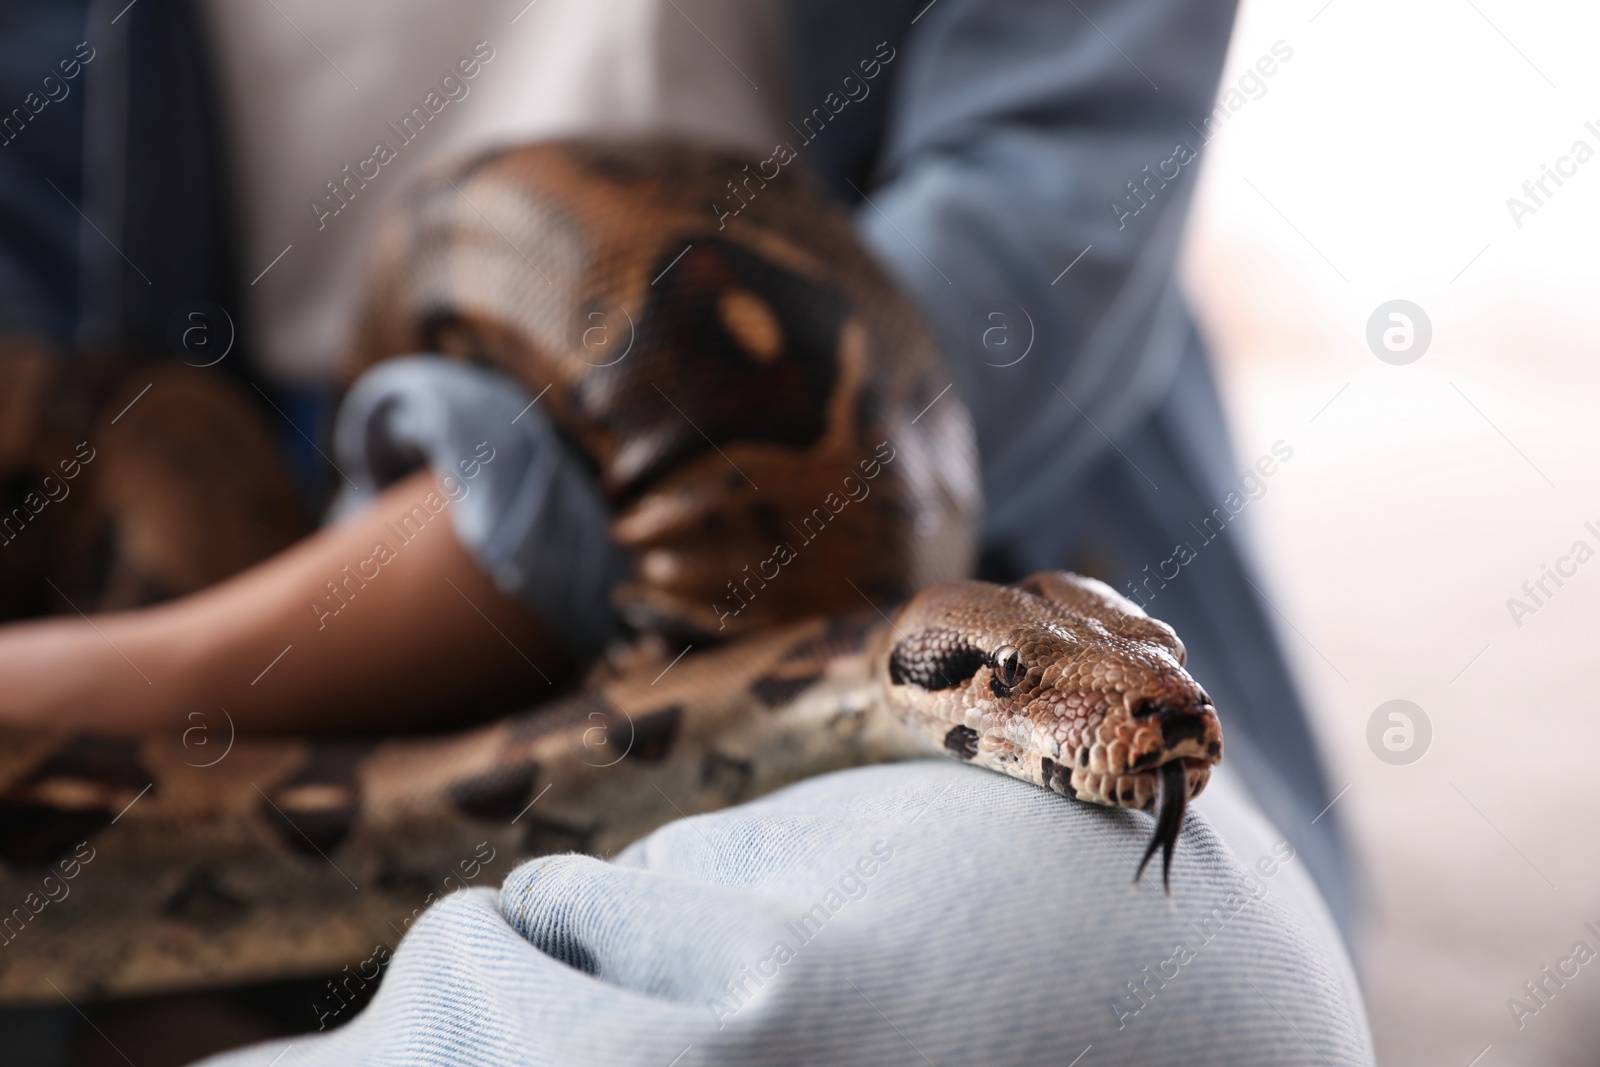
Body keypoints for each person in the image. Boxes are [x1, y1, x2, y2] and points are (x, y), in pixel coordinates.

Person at [0, 1, 1370, 1063]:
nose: (1130, 718)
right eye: (1017, 687)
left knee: (1150, 981)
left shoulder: (955, 631)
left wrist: (166, 686)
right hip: (210, 489)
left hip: (944, 518)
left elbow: (1056, 190)